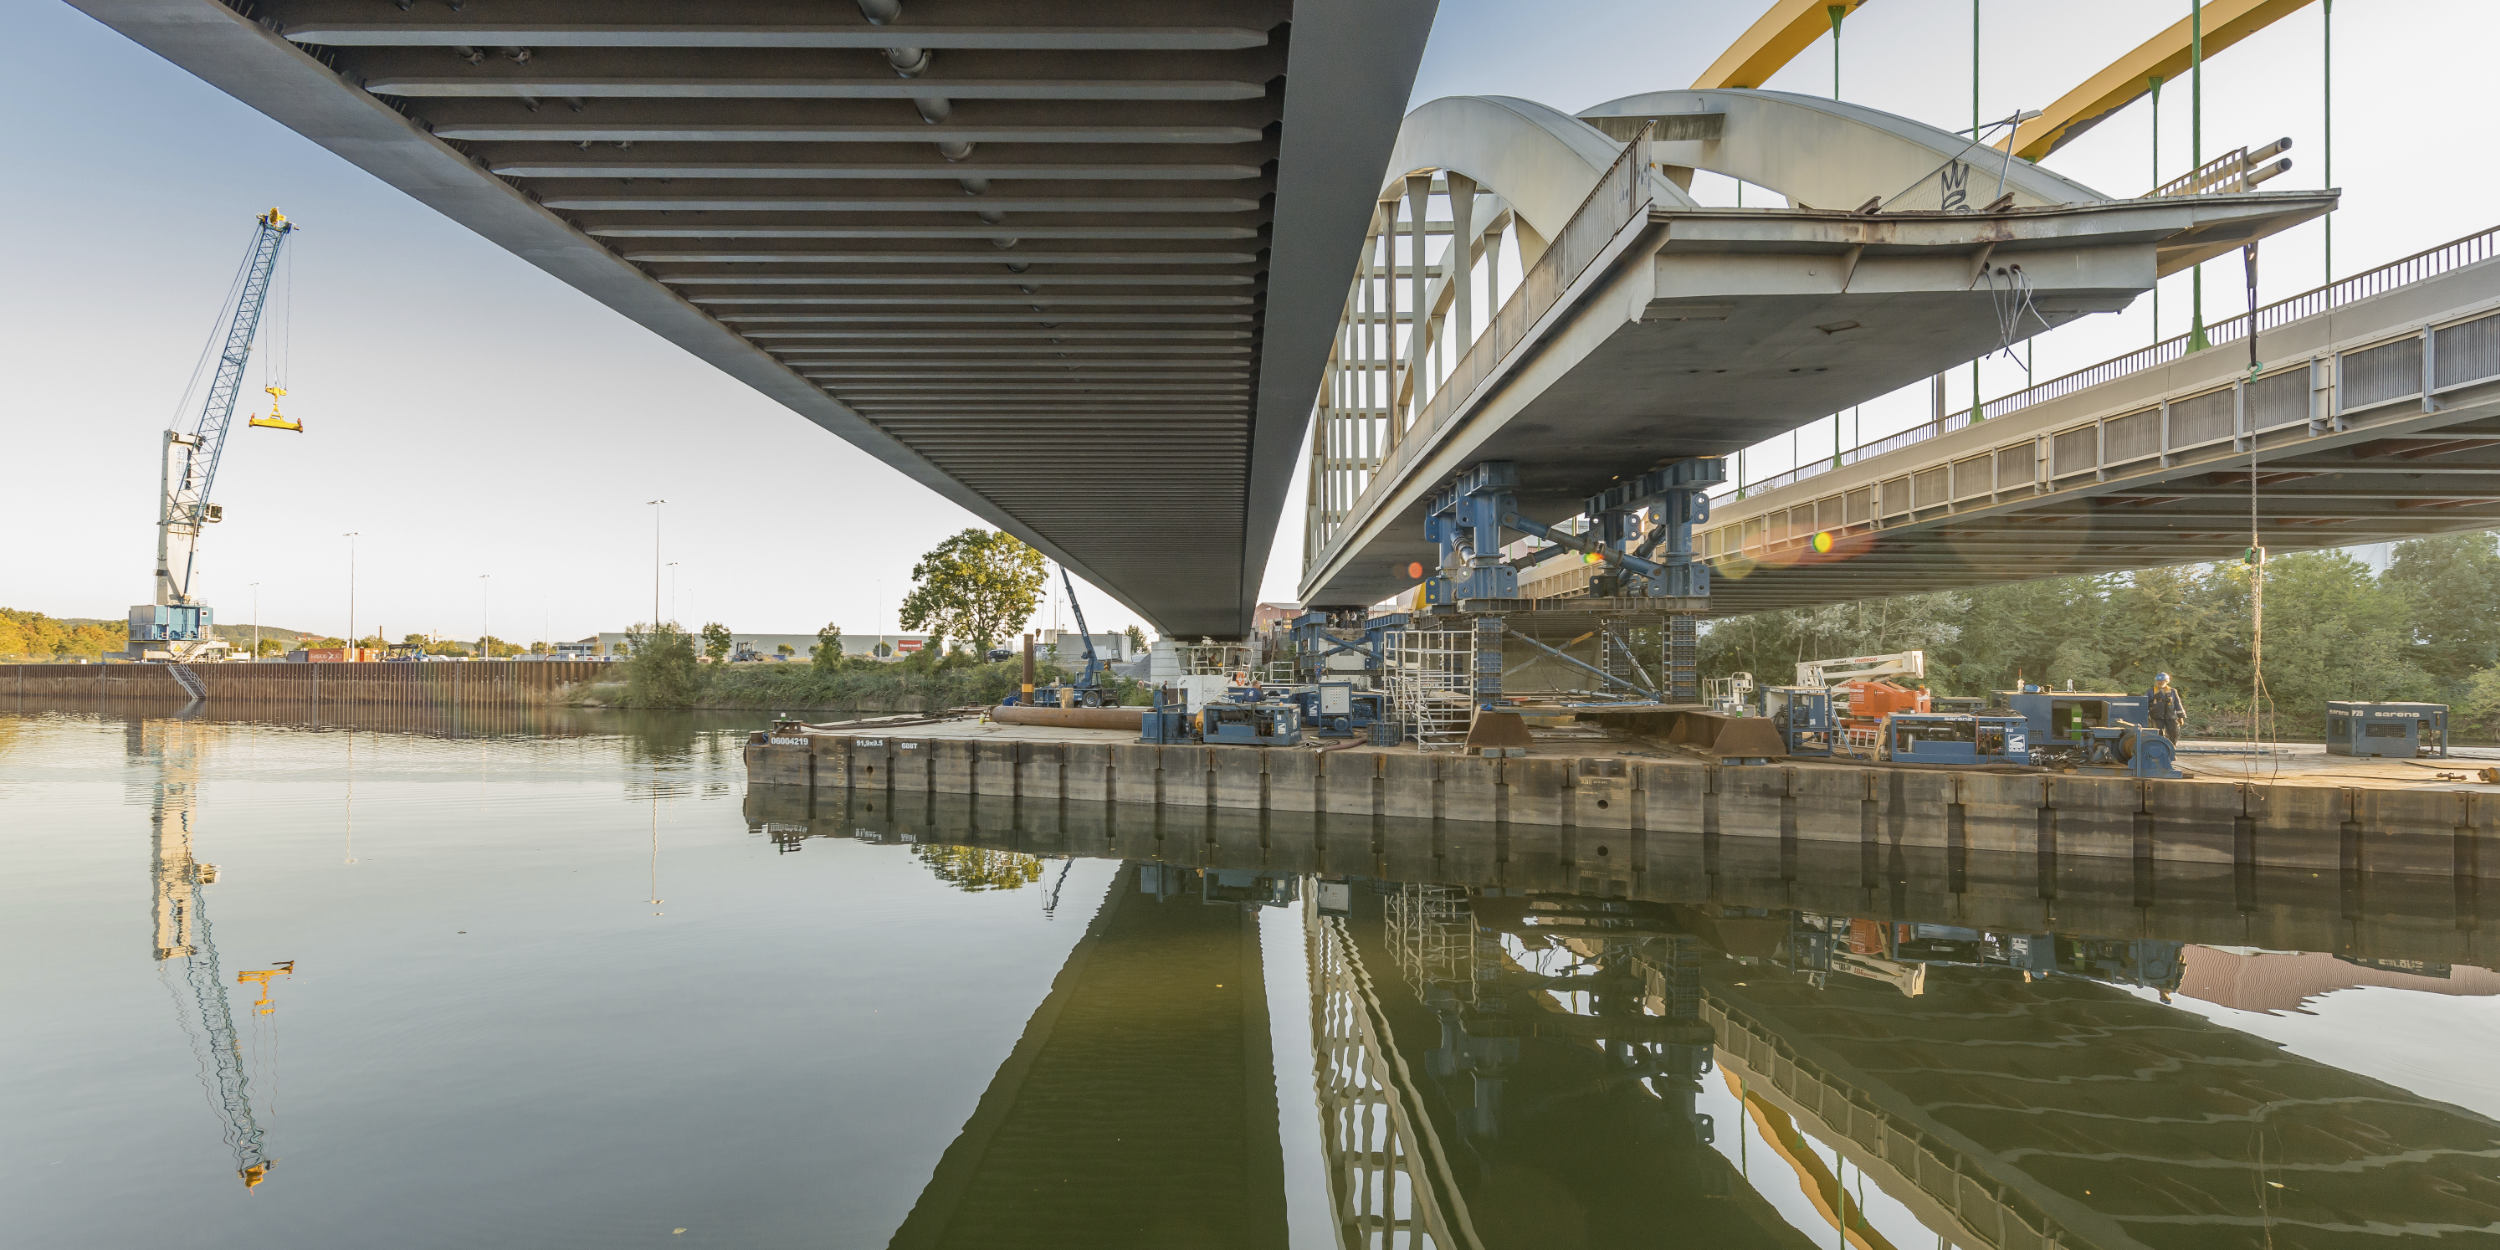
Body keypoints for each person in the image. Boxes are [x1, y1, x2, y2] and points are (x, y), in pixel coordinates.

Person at [2147, 673, 2187, 743]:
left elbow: (2178, 704)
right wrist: (2146, 716)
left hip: (2171, 717)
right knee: (2158, 734)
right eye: (2158, 681)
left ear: (2166, 681)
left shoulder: (2172, 691)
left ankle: (2172, 748)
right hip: (2156, 717)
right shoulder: (2150, 691)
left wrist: (2181, 717)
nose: (2160, 683)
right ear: (2156, 681)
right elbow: (2145, 704)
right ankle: (2159, 749)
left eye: (2162, 681)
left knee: (2174, 733)